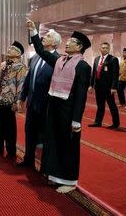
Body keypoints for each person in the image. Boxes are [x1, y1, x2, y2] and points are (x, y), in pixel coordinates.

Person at [26, 17, 91, 194]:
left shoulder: (83, 66)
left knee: (67, 146)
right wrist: (33, 32)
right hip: (54, 109)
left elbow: (80, 96)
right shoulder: (60, 61)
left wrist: (77, 119)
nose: (67, 43)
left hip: (68, 113)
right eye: (68, 41)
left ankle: (69, 181)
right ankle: (55, 176)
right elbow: (41, 50)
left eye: (71, 42)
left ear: (79, 47)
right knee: (53, 143)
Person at [17, 29, 61, 169]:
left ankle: (45, 166)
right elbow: (28, 79)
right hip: (32, 104)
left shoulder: (58, 60)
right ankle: (28, 160)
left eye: (48, 36)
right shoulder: (35, 57)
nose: (44, 37)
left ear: (54, 43)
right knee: (29, 132)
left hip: (47, 105)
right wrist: (22, 97)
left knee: (45, 137)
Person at [0, 41, 27, 162]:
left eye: (12, 48)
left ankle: (11, 151)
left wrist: (17, 102)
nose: (9, 49)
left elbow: (20, 86)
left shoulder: (21, 67)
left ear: (18, 54)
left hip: (9, 101)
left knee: (10, 128)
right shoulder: (3, 64)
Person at [88, 42, 120, 129]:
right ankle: (98, 122)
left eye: (106, 48)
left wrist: (114, 87)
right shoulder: (96, 59)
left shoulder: (113, 59)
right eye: (103, 47)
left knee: (112, 105)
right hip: (98, 87)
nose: (104, 49)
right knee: (100, 105)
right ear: (100, 49)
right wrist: (91, 85)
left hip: (108, 88)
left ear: (109, 49)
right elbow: (94, 73)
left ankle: (116, 124)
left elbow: (115, 75)